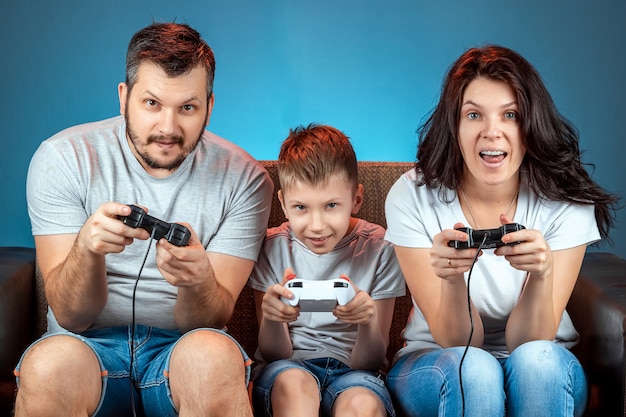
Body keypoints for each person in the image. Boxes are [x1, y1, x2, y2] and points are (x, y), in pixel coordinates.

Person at [14, 22, 273, 417]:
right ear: (124, 97)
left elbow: (207, 321)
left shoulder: (247, 180)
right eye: (152, 104)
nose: (167, 129)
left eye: (187, 107)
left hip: (181, 350)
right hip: (85, 346)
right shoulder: (62, 159)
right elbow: (70, 315)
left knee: (214, 356)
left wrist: (198, 279)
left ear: (210, 106)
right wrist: (87, 251)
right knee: (49, 366)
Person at [384, 45, 619, 417]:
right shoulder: (412, 196)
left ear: (529, 123)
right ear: (454, 125)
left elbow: (529, 343)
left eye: (510, 115)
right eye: (474, 115)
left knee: (536, 362)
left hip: (544, 361)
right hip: (437, 362)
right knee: (474, 369)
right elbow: (459, 343)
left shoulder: (565, 199)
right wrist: (451, 279)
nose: (492, 132)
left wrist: (541, 275)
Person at [248, 124, 405, 417]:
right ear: (282, 203)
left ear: (356, 199)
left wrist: (368, 320)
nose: (317, 225)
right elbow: (274, 354)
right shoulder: (273, 246)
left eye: (331, 205)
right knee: (294, 386)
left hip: (354, 372)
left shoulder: (381, 248)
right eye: (301, 208)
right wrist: (272, 317)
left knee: (363, 405)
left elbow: (369, 363)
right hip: (288, 367)